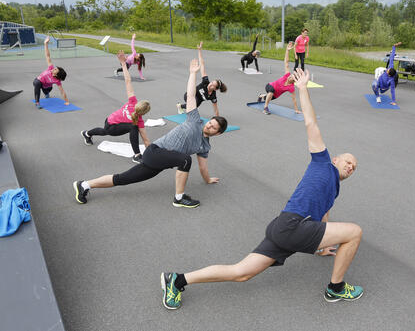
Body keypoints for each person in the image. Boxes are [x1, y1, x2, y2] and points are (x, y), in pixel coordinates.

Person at [160, 68, 363, 310]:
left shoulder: (333, 188)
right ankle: (336, 289)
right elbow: (311, 123)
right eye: (348, 161)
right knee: (354, 232)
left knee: (241, 272)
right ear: (336, 159)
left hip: (284, 228)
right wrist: (302, 90)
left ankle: (178, 280)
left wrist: (322, 244)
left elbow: (324, 214)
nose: (350, 167)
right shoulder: (322, 163)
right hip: (293, 225)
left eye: (354, 167)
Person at [73, 59, 228, 208]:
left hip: (160, 161)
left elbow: (203, 167)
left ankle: (84, 185)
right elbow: (191, 95)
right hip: (155, 152)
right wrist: (193, 73)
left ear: (218, 133)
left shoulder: (204, 146)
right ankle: (179, 198)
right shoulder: (195, 120)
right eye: (210, 122)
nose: (209, 126)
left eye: (213, 127)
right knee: (186, 160)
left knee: (122, 178)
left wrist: (208, 179)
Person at [81, 51, 151, 164]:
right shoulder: (139, 120)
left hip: (110, 120)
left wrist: (123, 64)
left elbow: (128, 81)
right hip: (111, 125)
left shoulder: (133, 101)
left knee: (106, 131)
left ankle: (87, 133)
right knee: (132, 128)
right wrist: (152, 154)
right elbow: (146, 140)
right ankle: (137, 155)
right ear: (144, 113)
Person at [177, 42, 227, 116]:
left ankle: (180, 106)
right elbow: (202, 64)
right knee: (194, 105)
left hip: (196, 103)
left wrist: (217, 120)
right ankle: (182, 107)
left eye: (213, 85)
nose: (210, 84)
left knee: (194, 106)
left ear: (215, 89)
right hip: (189, 95)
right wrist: (200, 50)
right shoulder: (205, 81)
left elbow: (216, 109)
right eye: (212, 82)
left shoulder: (213, 96)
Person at [257, 42, 300, 115]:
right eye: (291, 75)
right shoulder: (287, 75)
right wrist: (287, 50)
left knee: (268, 96)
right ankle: (265, 108)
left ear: (294, 80)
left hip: (275, 95)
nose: (290, 76)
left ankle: (261, 95)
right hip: (269, 86)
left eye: (291, 77)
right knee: (271, 91)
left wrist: (296, 110)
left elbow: (294, 99)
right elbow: (286, 62)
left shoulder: (291, 87)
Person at [33, 36, 68, 109]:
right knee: (37, 83)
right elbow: (48, 56)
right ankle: (37, 102)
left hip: (47, 86)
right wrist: (45, 44)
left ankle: (46, 93)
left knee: (47, 90)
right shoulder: (50, 68)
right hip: (39, 81)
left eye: (55, 70)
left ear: (56, 75)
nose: (54, 69)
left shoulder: (57, 81)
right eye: (55, 68)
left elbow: (62, 91)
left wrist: (66, 100)